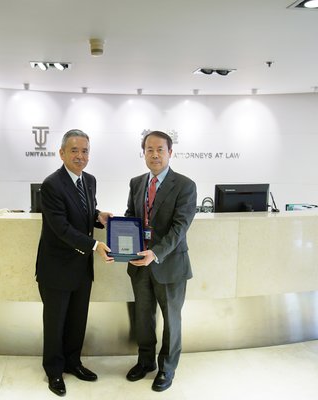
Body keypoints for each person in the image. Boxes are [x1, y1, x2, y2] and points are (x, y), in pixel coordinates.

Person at [35, 129, 113, 397]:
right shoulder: (51, 184)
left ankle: (73, 362)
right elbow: (61, 227)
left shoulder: (89, 180)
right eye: (74, 150)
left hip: (81, 267)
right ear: (62, 153)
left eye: (85, 151)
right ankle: (54, 371)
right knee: (55, 323)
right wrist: (95, 245)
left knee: (78, 320)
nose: (80, 156)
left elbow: (82, 212)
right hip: (56, 267)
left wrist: (98, 216)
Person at [124, 130, 197, 392]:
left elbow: (180, 228)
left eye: (160, 150)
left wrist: (155, 253)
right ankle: (145, 362)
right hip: (139, 263)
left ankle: (167, 368)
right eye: (149, 150)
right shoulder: (136, 183)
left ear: (170, 152)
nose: (154, 154)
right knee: (143, 317)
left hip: (169, 264)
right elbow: (131, 217)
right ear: (143, 153)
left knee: (171, 320)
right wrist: (122, 245)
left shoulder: (185, 185)